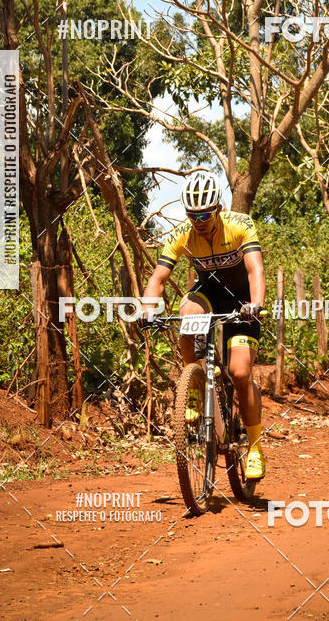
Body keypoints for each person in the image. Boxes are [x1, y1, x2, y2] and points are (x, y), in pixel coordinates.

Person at [141, 170, 267, 479]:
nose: (199, 221)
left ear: (219, 209)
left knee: (239, 373)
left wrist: (256, 304)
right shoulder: (182, 234)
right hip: (208, 295)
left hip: (242, 302)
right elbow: (159, 278)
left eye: (206, 214)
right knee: (186, 314)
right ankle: (195, 385)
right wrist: (147, 309)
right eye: (193, 215)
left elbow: (254, 269)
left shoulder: (240, 225)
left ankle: (255, 447)